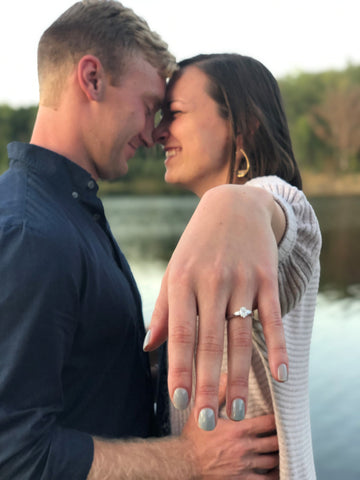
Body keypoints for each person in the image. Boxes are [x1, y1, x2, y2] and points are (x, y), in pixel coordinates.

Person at [0, 2, 288, 479]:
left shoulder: (69, 212)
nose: (155, 134)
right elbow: (13, 455)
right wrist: (191, 460)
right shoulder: (30, 233)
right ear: (91, 79)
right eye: (151, 107)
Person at [153, 53, 322, 479]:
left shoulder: (270, 217)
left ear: (242, 123)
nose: (158, 132)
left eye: (174, 114)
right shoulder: (208, 244)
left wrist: (235, 199)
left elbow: (287, 213)